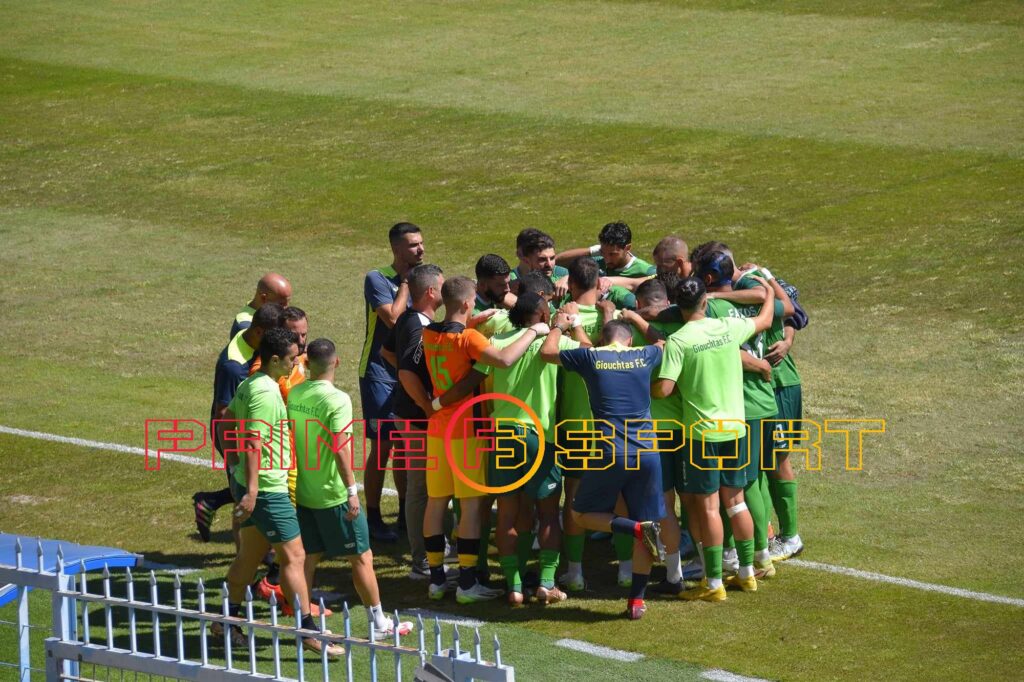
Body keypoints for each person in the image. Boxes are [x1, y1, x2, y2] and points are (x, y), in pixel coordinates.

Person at [421, 276, 550, 604]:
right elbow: (505, 359)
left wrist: (472, 322)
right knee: (470, 508)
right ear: (468, 303)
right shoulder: (469, 339)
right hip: (466, 430)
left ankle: (436, 580)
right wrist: (534, 331)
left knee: (436, 503)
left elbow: (451, 335)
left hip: (437, 429)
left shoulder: (429, 333)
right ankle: (467, 583)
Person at [651, 276, 775, 602]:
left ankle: (715, 582)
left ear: (678, 306)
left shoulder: (678, 341)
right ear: (705, 302)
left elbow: (665, 389)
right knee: (736, 502)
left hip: (701, 435)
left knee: (708, 508)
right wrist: (769, 291)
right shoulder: (727, 328)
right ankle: (747, 573)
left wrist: (647, 386)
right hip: (736, 429)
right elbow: (765, 319)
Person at [218, 327, 340, 656]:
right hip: (268, 489)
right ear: (274, 359)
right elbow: (253, 442)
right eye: (291, 359)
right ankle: (308, 630)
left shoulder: (250, 384)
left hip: (255, 484)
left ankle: (226, 619)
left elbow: (227, 419)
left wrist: (236, 469)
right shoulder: (266, 393)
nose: (296, 364)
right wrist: (252, 491)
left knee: (249, 555)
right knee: (295, 557)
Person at [540, 318, 665, 620]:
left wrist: (559, 326)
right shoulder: (645, 354)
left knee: (580, 514)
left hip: (611, 453)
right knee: (648, 526)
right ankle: (636, 601)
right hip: (648, 453)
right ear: (629, 341)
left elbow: (547, 352)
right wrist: (638, 319)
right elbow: (662, 341)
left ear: (601, 341)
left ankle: (634, 529)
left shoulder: (591, 356)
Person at [289, 338, 413, 637]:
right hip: (333, 494)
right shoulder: (338, 400)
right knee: (362, 556)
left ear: (307, 362)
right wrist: (351, 491)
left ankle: (302, 620)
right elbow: (341, 448)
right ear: (337, 362)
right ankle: (379, 624)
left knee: (309, 558)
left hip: (305, 492)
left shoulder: (295, 393)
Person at [480, 292, 587, 605]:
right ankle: (546, 583)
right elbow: (589, 353)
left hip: (502, 435)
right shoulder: (555, 343)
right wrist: (570, 324)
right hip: (538, 437)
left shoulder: (498, 341)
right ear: (541, 315)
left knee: (507, 514)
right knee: (549, 513)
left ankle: (513, 586)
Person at [551, 256, 624, 591]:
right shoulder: (616, 318)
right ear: (599, 283)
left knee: (575, 497)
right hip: (614, 425)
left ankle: (576, 572)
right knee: (622, 495)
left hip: (576, 423)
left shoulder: (561, 318)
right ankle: (626, 569)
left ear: (571, 285)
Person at [194, 303, 284, 544]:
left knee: (253, 487)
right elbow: (223, 415)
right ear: (259, 332)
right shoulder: (234, 366)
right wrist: (234, 460)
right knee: (247, 490)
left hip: (251, 430)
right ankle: (248, 554)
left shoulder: (252, 340)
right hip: (234, 436)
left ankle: (213, 503)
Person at [380, 264, 448, 580]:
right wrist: (425, 405)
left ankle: (430, 548)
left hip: (408, 414)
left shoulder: (410, 319)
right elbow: (406, 371)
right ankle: (421, 560)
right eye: (442, 286)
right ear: (431, 292)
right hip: (416, 418)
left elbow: (387, 352)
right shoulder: (417, 327)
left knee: (425, 485)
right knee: (421, 487)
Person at [359, 223, 424, 541]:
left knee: (406, 445)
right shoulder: (377, 278)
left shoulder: (421, 277)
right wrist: (407, 284)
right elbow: (393, 318)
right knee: (383, 444)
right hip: (378, 373)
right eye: (413, 245)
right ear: (397, 249)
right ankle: (372, 517)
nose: (420, 249)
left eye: (421, 243)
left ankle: (404, 514)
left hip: (408, 371)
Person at [556, 222, 656, 278]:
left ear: (627, 248)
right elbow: (558, 261)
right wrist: (592, 251)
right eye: (603, 252)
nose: (607, 260)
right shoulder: (598, 262)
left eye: (612, 254)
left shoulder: (646, 271)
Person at [230, 273, 292, 339]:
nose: (286, 308)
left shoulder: (258, 308)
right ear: (263, 298)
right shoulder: (246, 326)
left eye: (287, 302)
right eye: (281, 304)